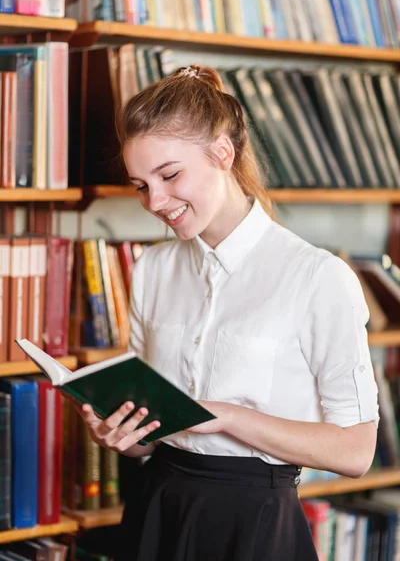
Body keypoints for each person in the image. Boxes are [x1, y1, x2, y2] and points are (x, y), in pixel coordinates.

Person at [77, 64, 379, 561]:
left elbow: (355, 452)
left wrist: (228, 417)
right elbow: (150, 436)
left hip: (253, 522)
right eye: (140, 185)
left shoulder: (316, 277)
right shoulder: (153, 267)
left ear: (223, 152)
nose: (155, 201)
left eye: (170, 175)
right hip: (156, 507)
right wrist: (123, 435)